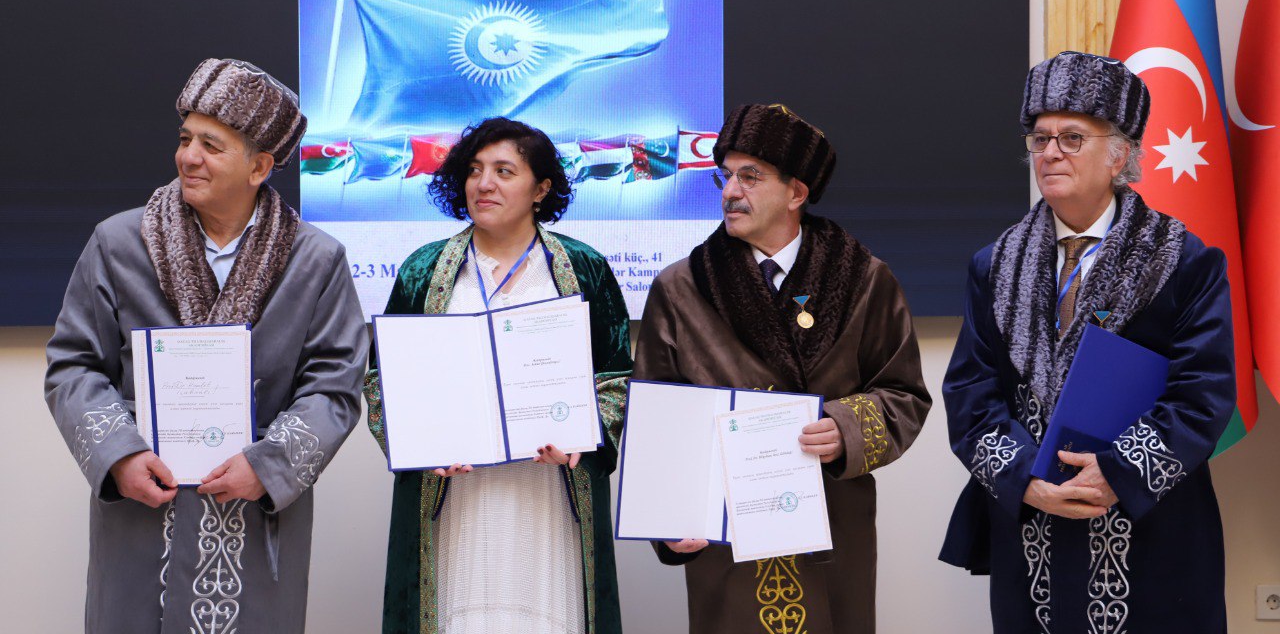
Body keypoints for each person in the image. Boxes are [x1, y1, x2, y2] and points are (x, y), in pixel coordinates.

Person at [45, 58, 368, 633]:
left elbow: (334, 388)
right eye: (185, 139)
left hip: (253, 519)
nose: (188, 157)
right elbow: (73, 365)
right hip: (146, 510)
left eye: (211, 146)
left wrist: (267, 466)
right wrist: (119, 455)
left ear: (260, 167)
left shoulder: (316, 260)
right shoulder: (118, 243)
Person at [939, 51, 1235, 633]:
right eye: (1039, 138)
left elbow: (1204, 394)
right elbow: (970, 394)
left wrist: (1118, 473)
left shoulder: (1184, 260)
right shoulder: (994, 265)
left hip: (1152, 537)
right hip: (1032, 528)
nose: (1049, 152)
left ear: (1119, 154)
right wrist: (1025, 479)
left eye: (1072, 137)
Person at [633, 103, 931, 633]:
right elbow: (654, 418)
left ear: (797, 193)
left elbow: (904, 393)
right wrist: (668, 519)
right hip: (726, 535)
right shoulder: (681, 287)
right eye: (726, 175)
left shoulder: (864, 280)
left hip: (831, 526)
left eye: (750, 177)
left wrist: (845, 428)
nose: (730, 191)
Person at [363, 117, 632, 634]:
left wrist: (584, 436)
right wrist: (419, 444)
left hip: (548, 494)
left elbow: (616, 377)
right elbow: (381, 380)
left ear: (541, 189)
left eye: (504, 171)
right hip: (454, 497)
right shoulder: (423, 270)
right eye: (474, 170)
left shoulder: (585, 268)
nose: (484, 184)